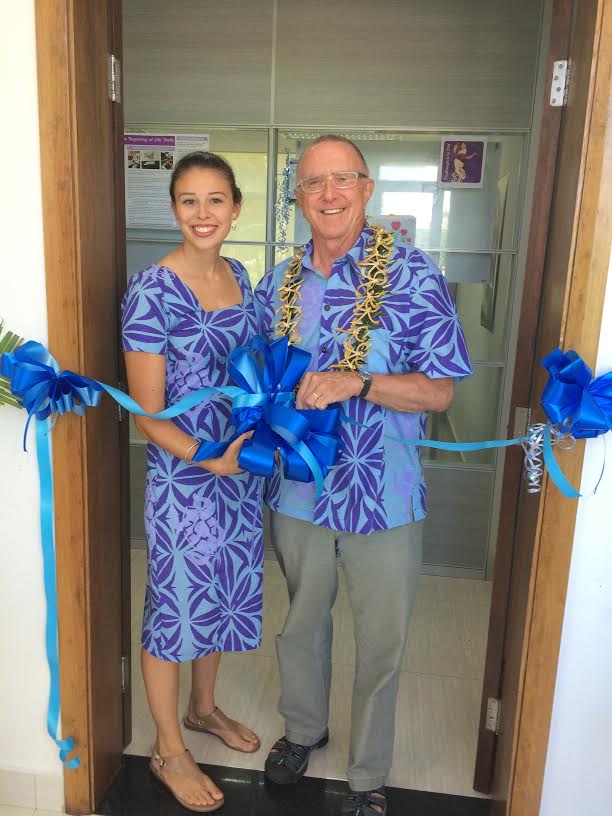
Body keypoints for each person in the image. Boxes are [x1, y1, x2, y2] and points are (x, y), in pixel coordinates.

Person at [254, 135, 472, 816]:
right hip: (298, 485)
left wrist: (361, 382)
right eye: (314, 182)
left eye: (341, 179)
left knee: (382, 638)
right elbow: (260, 379)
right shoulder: (279, 284)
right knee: (300, 622)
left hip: (385, 489)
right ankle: (303, 731)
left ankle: (368, 773)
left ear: (366, 188)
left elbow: (440, 392)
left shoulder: (412, 275)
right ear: (298, 196)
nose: (328, 194)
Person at [122, 151, 263, 813]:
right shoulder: (152, 289)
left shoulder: (240, 274)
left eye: (215, 200)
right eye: (188, 200)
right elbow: (148, 412)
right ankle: (168, 748)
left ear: (236, 207)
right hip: (186, 480)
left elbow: (256, 369)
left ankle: (205, 709)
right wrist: (210, 459)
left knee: (221, 595)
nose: (202, 214)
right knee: (174, 611)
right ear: (173, 209)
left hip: (239, 474)